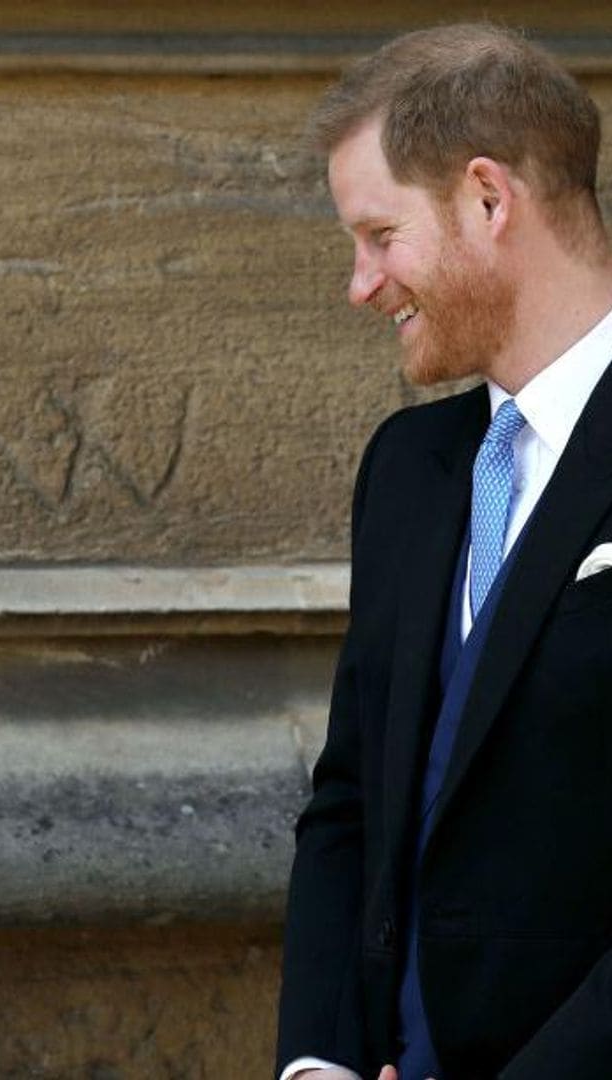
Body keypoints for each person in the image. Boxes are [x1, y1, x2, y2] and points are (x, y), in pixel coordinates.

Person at [276, 23, 612, 1080]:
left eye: (380, 235)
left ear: (486, 199)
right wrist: (320, 1063)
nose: (360, 284)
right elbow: (351, 805)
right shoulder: (409, 469)